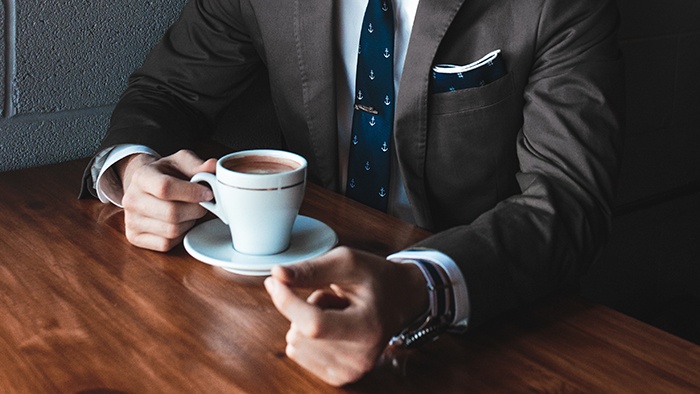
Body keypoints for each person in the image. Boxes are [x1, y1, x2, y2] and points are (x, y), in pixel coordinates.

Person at [81, 0, 624, 386]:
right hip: (280, 304)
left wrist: (420, 286)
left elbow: (568, 197)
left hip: (480, 322)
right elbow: (167, 89)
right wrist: (131, 169)